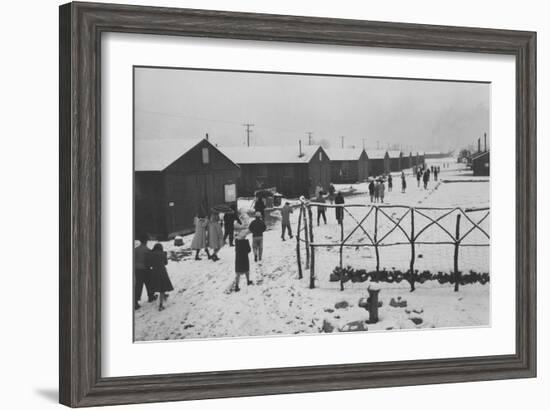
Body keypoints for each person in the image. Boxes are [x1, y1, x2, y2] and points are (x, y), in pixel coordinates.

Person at [148, 243, 173, 311]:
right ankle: (161, 305)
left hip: (154, 272)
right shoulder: (163, 253)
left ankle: (164, 296)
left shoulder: (151, 254)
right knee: (162, 287)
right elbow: (165, 263)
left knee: (159, 285)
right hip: (162, 271)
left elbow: (149, 264)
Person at [134, 235, 155, 310]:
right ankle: (151, 296)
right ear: (146, 241)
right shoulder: (147, 250)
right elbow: (150, 260)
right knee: (149, 283)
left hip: (137, 269)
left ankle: (135, 301)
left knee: (138, 285)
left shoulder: (135, 250)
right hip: (145, 269)